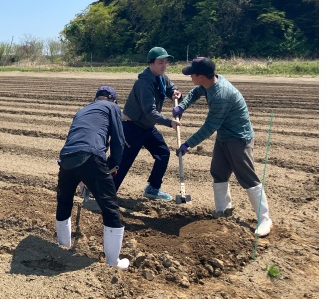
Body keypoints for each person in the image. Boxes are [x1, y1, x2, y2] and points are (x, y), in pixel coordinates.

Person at [174, 57, 273, 237]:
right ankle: (224, 210)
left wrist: (188, 144)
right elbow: (197, 91)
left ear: (201, 76)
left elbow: (210, 126)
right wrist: (182, 106)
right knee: (218, 171)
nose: (190, 77)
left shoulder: (221, 95)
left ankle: (264, 218)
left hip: (238, 138)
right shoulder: (209, 83)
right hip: (225, 136)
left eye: (192, 74)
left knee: (247, 177)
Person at [55, 85, 130, 269]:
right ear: (113, 100)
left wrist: (80, 175)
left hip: (66, 157)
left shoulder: (82, 110)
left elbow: (77, 138)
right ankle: (113, 262)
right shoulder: (112, 108)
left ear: (95, 98)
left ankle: (63, 246)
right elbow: (118, 140)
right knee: (110, 206)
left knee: (64, 201)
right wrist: (113, 165)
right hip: (91, 156)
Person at [111, 47, 182, 200]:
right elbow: (150, 112)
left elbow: (170, 87)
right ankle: (106, 194)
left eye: (166, 62)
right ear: (151, 63)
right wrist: (169, 122)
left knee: (163, 152)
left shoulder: (161, 77)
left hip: (147, 127)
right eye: (160, 62)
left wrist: (175, 93)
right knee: (122, 163)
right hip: (132, 126)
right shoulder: (144, 83)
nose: (164, 66)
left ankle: (152, 188)